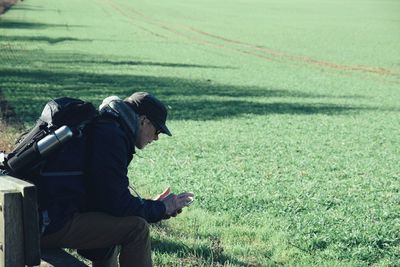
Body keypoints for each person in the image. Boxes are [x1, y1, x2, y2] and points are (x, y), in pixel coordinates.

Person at [37, 92, 194, 266]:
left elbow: (108, 198)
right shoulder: (111, 137)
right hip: (48, 225)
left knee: (116, 220)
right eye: (157, 131)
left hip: (41, 217)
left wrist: (155, 207)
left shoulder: (107, 126)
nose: (156, 138)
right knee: (137, 229)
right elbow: (116, 204)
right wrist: (162, 207)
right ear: (143, 121)